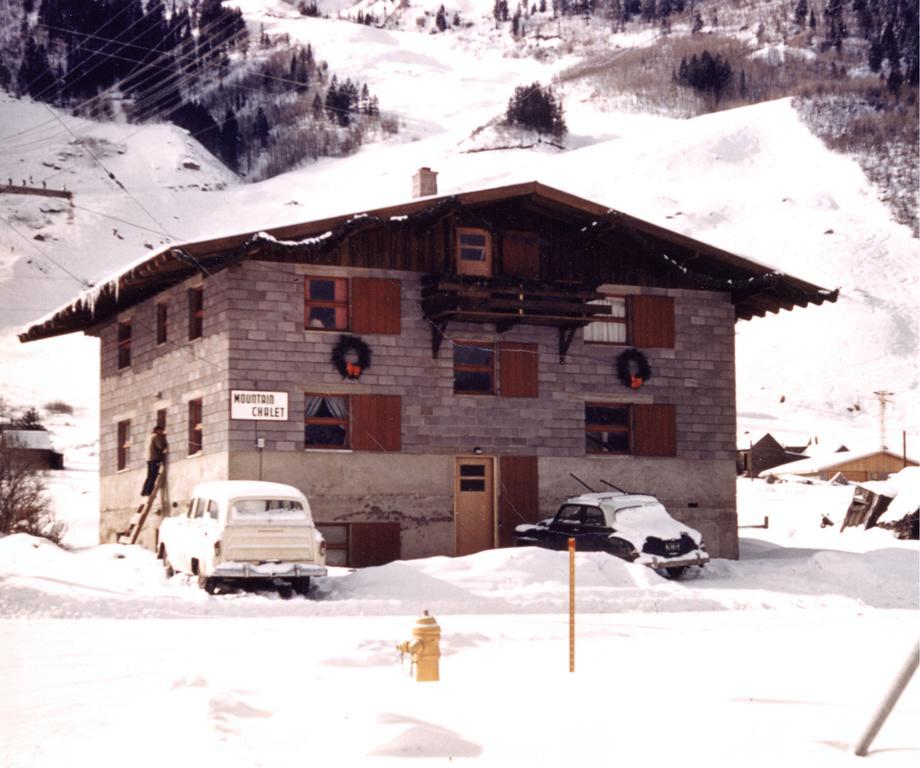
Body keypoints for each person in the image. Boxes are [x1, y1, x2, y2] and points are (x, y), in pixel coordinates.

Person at [141, 425, 168, 496]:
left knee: (149, 476)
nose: (162, 432)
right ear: (157, 430)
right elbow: (160, 446)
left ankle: (144, 491)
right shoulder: (155, 436)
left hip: (149, 458)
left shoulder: (149, 436)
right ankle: (149, 491)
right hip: (154, 458)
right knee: (153, 475)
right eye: (161, 431)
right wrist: (164, 443)